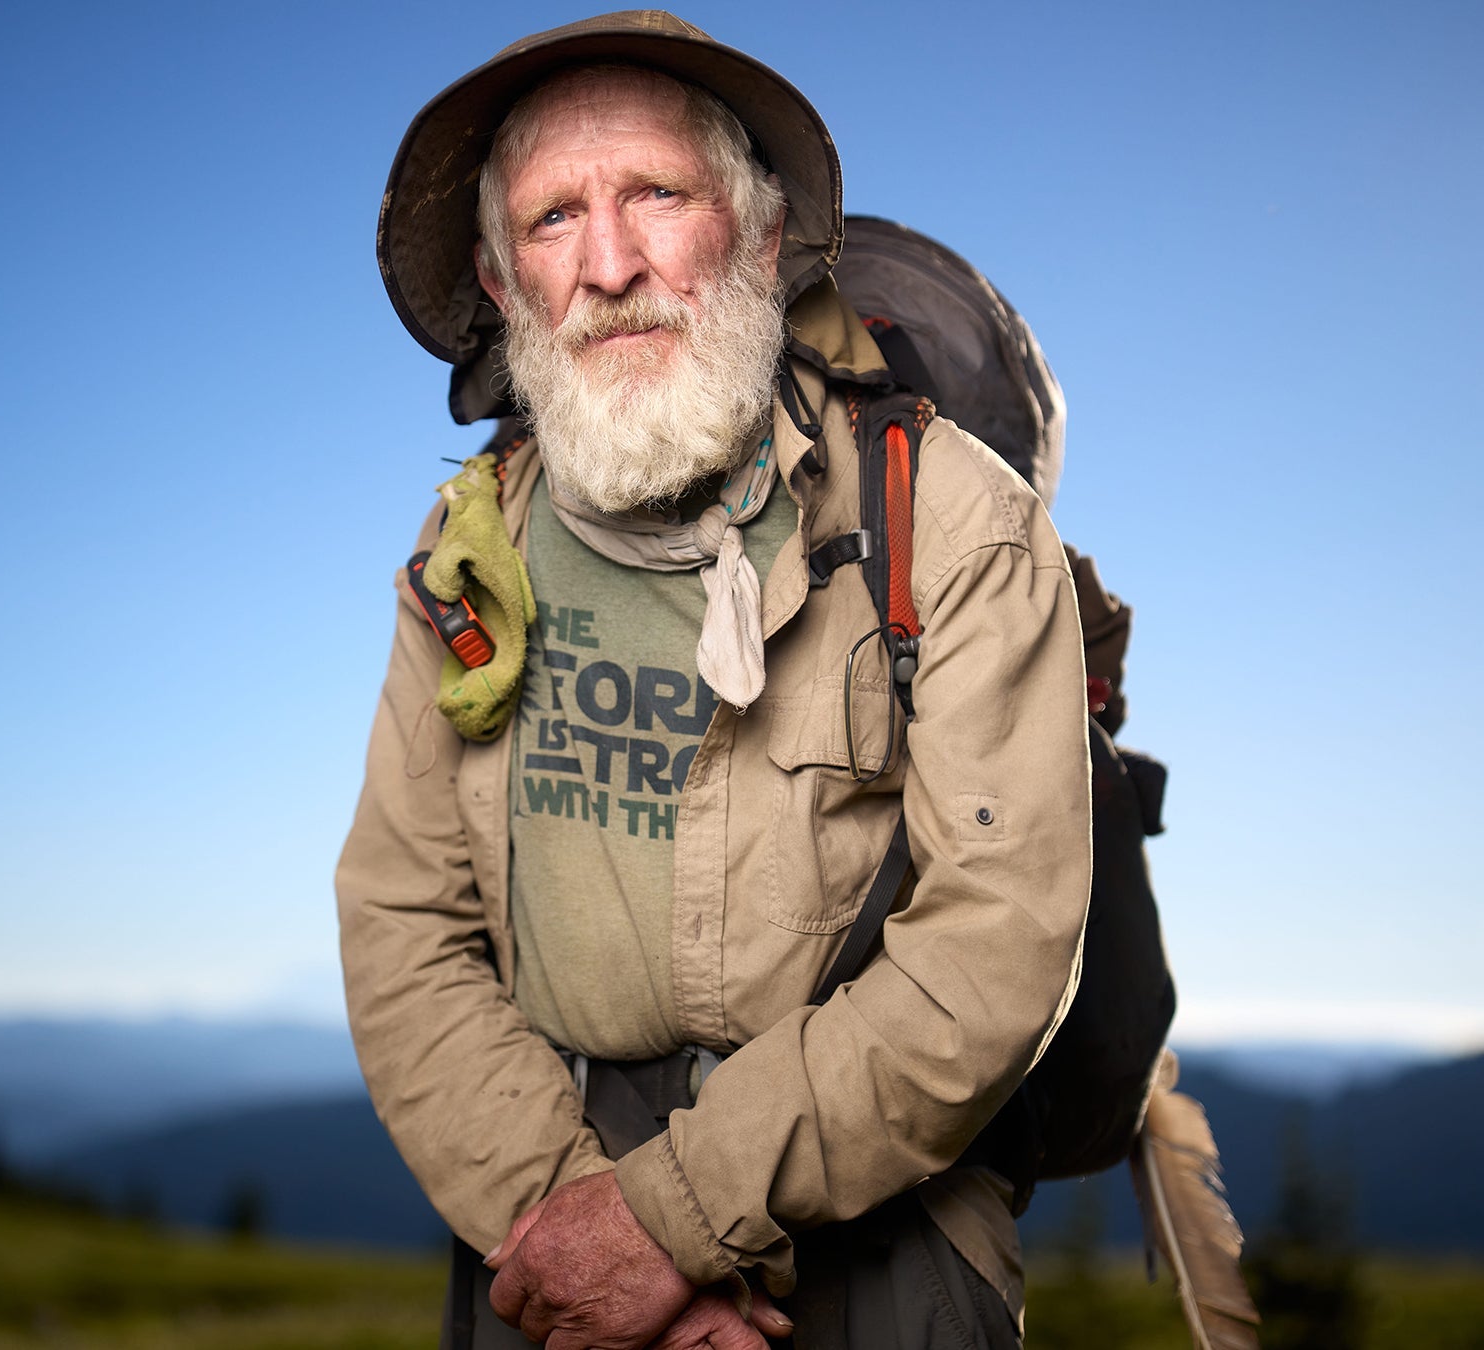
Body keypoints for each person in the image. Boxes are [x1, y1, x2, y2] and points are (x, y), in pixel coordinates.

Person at [338, 13, 1092, 1348]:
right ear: (503, 282)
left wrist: (667, 1225)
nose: (610, 265)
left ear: (758, 230)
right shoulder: (469, 549)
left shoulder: (952, 519)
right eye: (555, 218)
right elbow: (404, 923)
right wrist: (576, 1224)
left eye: (657, 196)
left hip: (883, 1218)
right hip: (538, 1195)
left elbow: (995, 944)